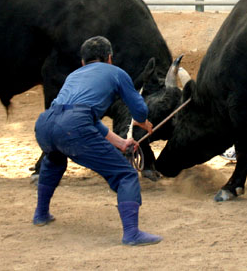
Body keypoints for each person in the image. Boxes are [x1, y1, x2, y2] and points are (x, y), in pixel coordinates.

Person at [32, 35, 161, 246]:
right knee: (126, 174)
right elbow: (139, 109)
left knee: (53, 159)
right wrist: (141, 121)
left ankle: (41, 214)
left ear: (83, 62)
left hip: (46, 124)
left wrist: (120, 143)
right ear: (110, 58)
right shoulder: (116, 72)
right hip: (74, 125)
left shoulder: (74, 75)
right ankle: (132, 233)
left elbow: (83, 116)